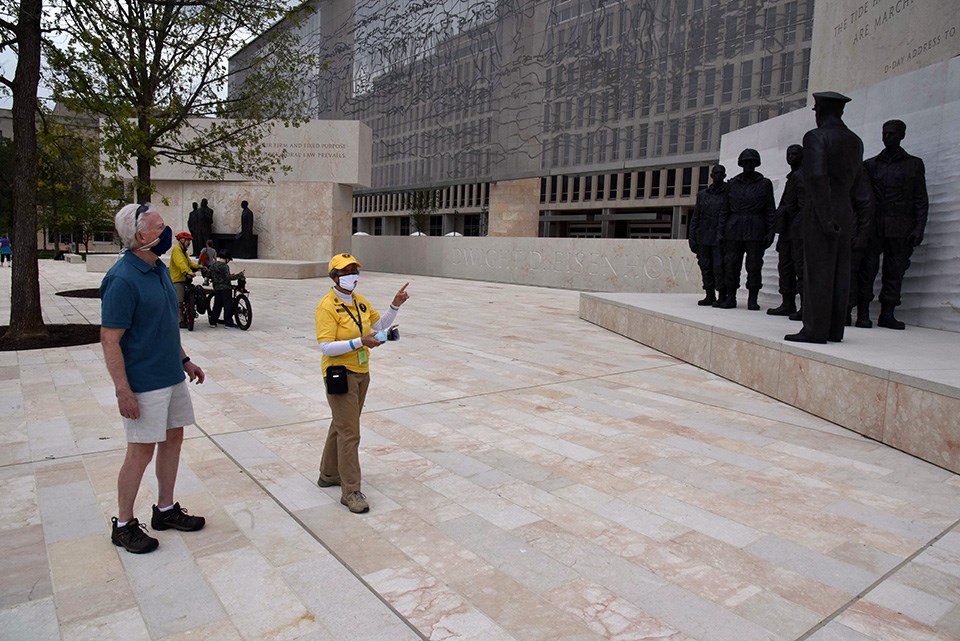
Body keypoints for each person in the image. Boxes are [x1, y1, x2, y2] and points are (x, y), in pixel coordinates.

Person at [99, 203, 207, 554]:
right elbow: (110, 339)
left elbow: (165, 326)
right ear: (141, 236)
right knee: (140, 451)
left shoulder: (158, 268)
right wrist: (123, 391)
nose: (167, 232)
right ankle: (124, 523)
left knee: (173, 439)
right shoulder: (121, 279)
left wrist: (185, 360)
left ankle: (165, 509)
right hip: (144, 384)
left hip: (171, 376)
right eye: (160, 227)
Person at [315, 253, 409, 513]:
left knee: (342, 424)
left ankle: (328, 474)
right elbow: (326, 346)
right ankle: (351, 491)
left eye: (354, 271)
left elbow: (378, 325)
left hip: (361, 370)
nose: (351, 277)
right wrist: (360, 342)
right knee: (350, 433)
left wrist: (395, 306)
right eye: (345, 273)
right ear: (334, 277)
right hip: (339, 372)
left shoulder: (360, 302)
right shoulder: (327, 306)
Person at [786, 92, 873, 344]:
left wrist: (824, 216)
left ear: (820, 111)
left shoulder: (815, 137)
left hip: (821, 210)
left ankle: (814, 329)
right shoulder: (855, 141)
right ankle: (835, 329)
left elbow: (816, 176)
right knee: (839, 272)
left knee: (817, 271)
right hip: (845, 210)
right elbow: (857, 183)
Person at [858, 119, 929, 330]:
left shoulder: (914, 164)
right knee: (867, 269)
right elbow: (861, 200)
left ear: (902, 136)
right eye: (884, 133)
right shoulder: (870, 165)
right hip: (874, 226)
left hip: (901, 226)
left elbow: (920, 199)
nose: (887, 137)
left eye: (892, 133)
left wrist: (919, 228)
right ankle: (863, 313)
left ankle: (887, 314)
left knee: (895, 270)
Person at [717, 148, 776, 310]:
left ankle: (752, 298)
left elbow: (770, 210)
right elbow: (724, 210)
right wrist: (720, 231)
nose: (748, 165)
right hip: (734, 227)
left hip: (756, 227)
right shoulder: (732, 184)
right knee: (731, 264)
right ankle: (731, 297)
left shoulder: (765, 184)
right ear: (741, 164)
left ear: (756, 164)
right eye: (745, 162)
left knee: (754, 265)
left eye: (751, 162)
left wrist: (771, 231)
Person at [768, 144, 806, 319]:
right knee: (785, 267)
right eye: (788, 154)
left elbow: (803, 206)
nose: (791, 157)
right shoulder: (792, 177)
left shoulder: (804, 176)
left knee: (801, 269)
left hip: (799, 231)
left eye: (795, 154)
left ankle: (805, 307)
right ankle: (787, 303)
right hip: (787, 231)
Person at [688, 165, 728, 307]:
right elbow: (696, 217)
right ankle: (709, 295)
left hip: (720, 238)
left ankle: (722, 295)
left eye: (721, 173)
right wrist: (691, 237)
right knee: (705, 267)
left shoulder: (728, 193)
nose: (718, 175)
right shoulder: (703, 194)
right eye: (715, 173)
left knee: (719, 267)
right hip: (703, 237)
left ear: (724, 175)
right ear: (711, 175)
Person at [169, 231, 202, 327]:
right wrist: (188, 272)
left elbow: (189, 263)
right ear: (182, 240)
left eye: (190, 241)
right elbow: (181, 264)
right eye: (188, 241)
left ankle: (188, 313)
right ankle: (179, 321)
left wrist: (199, 267)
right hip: (177, 279)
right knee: (179, 302)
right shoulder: (177, 250)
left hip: (184, 278)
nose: (189, 243)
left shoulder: (184, 252)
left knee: (188, 296)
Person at [207, 250, 242, 328]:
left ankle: (213, 322)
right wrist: (239, 275)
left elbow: (208, 274)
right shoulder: (225, 266)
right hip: (226, 288)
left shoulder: (214, 265)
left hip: (217, 288)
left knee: (217, 305)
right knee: (227, 305)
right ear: (226, 259)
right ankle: (228, 322)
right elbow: (228, 278)